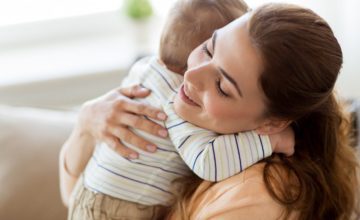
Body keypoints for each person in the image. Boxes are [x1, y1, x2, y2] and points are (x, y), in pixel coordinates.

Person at [60, 2, 359, 220]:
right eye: (208, 47)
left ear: (272, 124)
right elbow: (75, 198)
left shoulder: (254, 197)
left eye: (223, 87)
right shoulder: (176, 103)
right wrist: (86, 125)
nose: (190, 76)